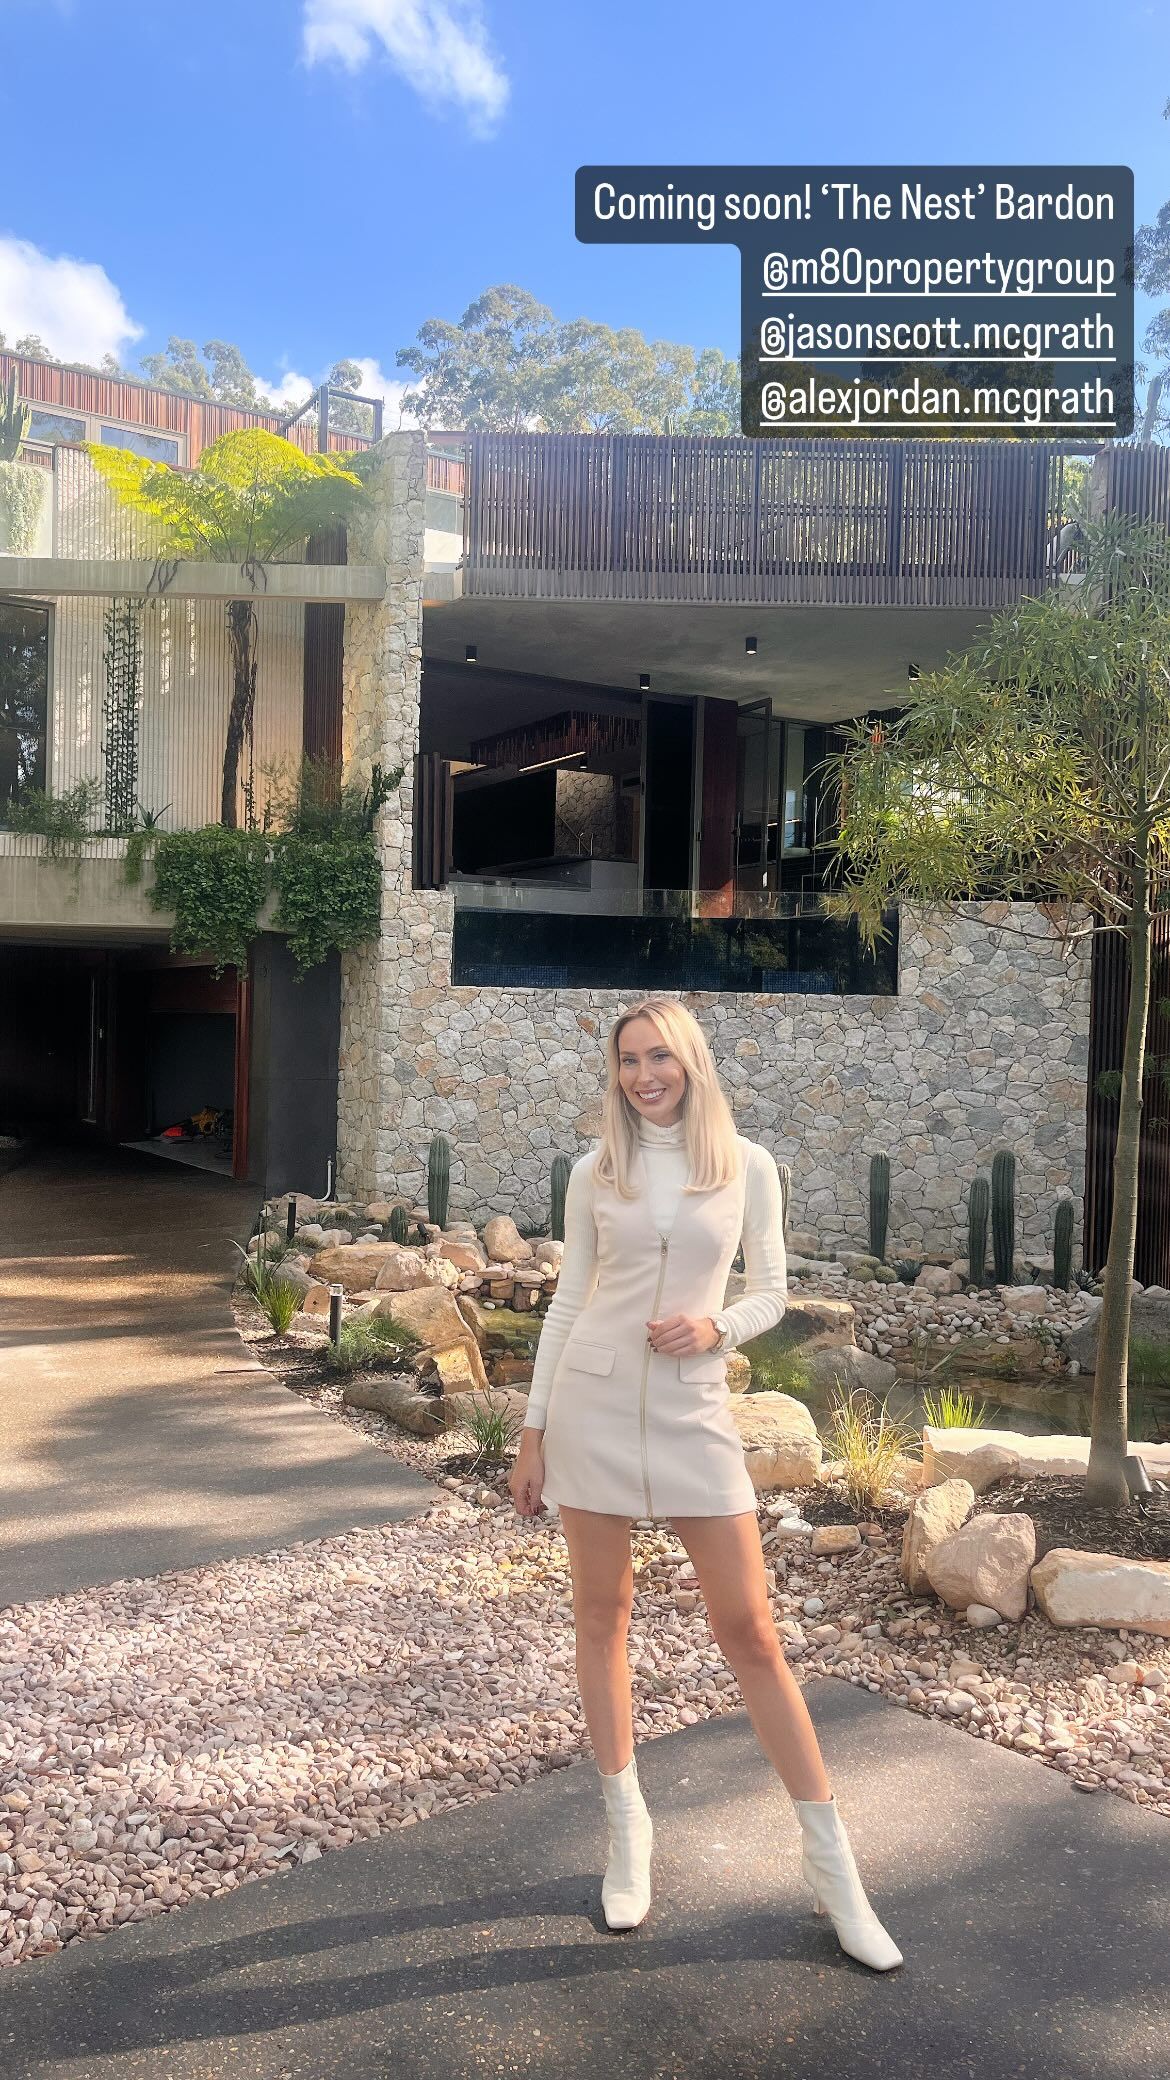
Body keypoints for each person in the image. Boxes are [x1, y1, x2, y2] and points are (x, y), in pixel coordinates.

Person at [508, 996, 902, 1971]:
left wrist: (715, 1327)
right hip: (593, 1407)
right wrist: (533, 1430)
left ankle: (834, 1869)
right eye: (628, 1060)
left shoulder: (747, 1166)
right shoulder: (596, 1171)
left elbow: (770, 1290)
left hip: (694, 1412)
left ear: (691, 1062)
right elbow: (568, 1302)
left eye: (660, 1057)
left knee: (754, 1634)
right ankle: (626, 1832)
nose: (644, 1075)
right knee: (601, 1619)